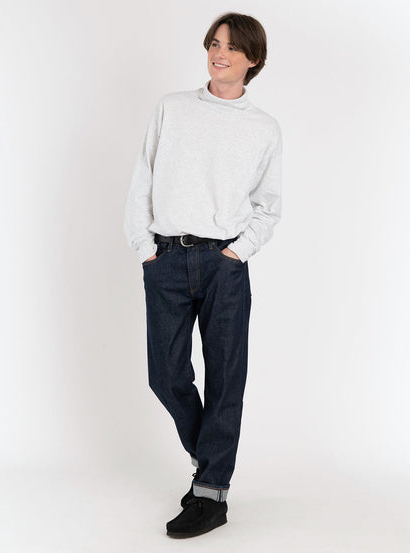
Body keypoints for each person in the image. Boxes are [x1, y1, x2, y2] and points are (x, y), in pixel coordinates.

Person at [123, 11, 282, 538]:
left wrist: (239, 252)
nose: (220, 54)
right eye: (214, 44)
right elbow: (143, 178)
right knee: (166, 376)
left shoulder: (263, 128)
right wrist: (146, 249)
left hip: (224, 266)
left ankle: (211, 495)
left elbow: (269, 205)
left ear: (252, 59)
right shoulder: (172, 108)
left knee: (226, 379)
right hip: (167, 258)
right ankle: (210, 461)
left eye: (232, 47)